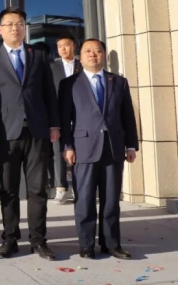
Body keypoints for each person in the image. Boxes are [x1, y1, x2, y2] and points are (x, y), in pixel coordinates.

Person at [0, 7, 60, 260]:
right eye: (9, 24)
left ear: (25, 28)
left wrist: (54, 124)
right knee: (8, 189)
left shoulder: (38, 55)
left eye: (19, 24)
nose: (15, 28)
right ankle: (10, 239)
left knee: (38, 189)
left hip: (37, 130)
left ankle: (38, 240)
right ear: (0, 29)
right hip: (6, 132)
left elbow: (49, 92)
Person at [59, 38, 138, 260]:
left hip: (114, 147)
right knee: (84, 199)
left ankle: (111, 244)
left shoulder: (118, 82)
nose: (93, 54)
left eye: (97, 51)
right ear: (80, 56)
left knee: (111, 200)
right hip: (83, 147)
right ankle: (86, 245)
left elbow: (128, 116)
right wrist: (67, 146)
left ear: (104, 55)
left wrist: (131, 145)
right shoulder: (69, 84)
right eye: (88, 51)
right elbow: (64, 119)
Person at [49, 34, 82, 205]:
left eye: (66, 45)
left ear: (74, 46)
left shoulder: (82, 65)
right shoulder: (52, 67)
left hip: (79, 115)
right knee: (57, 153)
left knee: (80, 152)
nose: (63, 49)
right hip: (58, 115)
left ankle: (79, 188)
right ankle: (61, 188)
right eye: (59, 46)